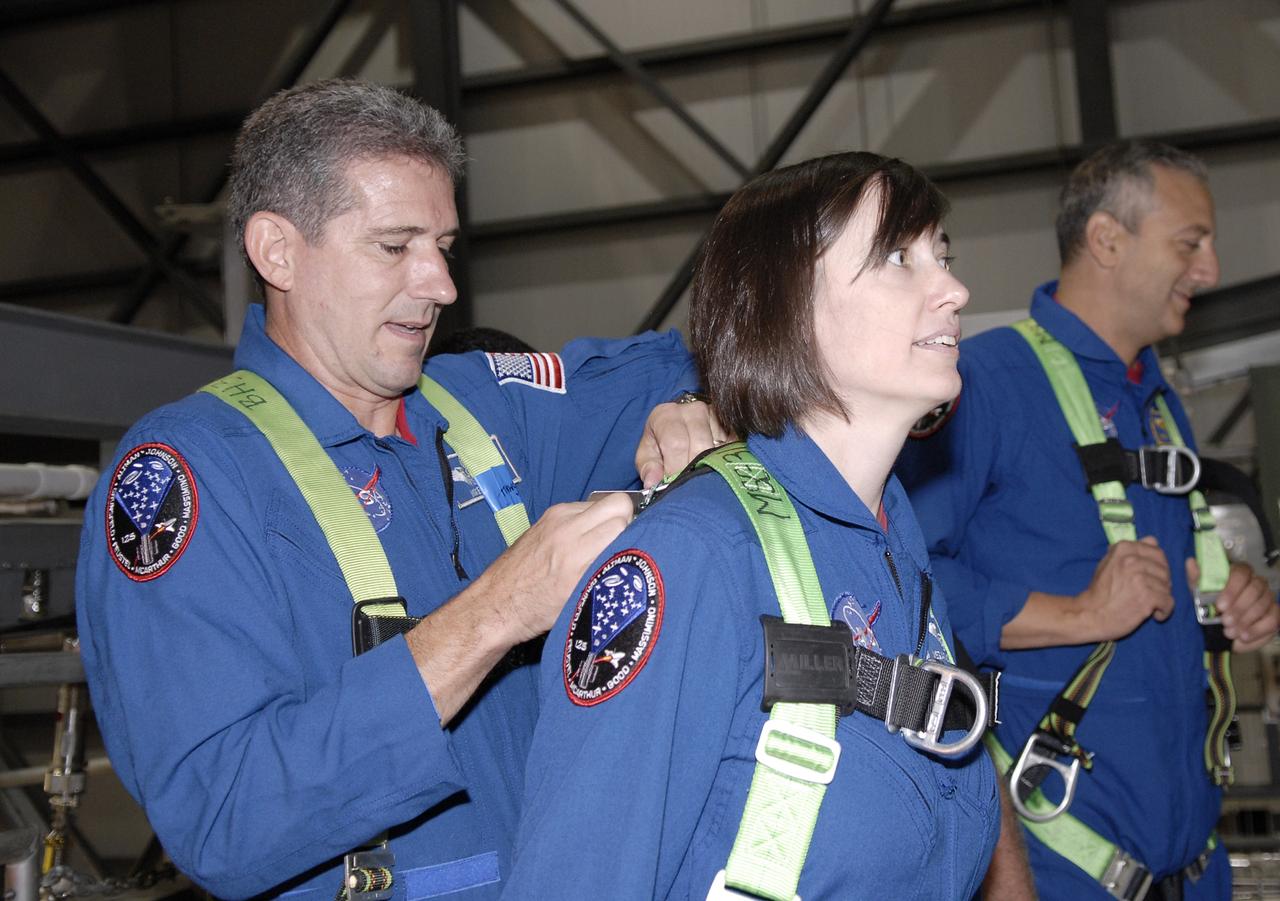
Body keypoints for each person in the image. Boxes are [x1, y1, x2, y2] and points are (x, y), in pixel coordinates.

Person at [74, 79, 722, 901]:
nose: (442, 284)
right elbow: (226, 817)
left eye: (444, 244)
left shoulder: (486, 404)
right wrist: (496, 612)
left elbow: (715, 358)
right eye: (395, 246)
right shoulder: (191, 475)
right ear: (276, 250)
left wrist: (695, 406)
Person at [500, 152, 1002, 900]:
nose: (954, 289)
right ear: (784, 304)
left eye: (943, 256)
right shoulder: (692, 554)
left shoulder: (893, 537)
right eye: (900, 257)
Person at [898, 140, 1280, 900]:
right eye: (1189, 243)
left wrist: (1230, 589)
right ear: (1107, 240)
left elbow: (1150, 590)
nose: (1208, 270)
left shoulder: (1156, 402)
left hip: (1194, 870)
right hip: (1064, 871)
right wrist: (1076, 613)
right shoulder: (986, 384)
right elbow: (903, 578)